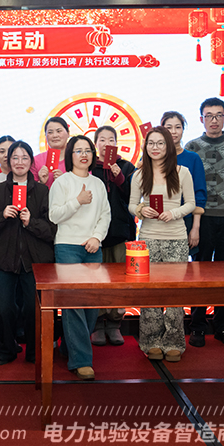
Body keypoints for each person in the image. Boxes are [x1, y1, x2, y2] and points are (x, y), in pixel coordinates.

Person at [0, 141, 55, 365]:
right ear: (8, 162)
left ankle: (34, 350)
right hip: (3, 260)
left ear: (31, 162)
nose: (19, 162)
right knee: (3, 307)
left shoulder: (42, 191)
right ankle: (6, 348)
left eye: (24, 158)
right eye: (15, 158)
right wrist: (1, 216)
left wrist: (31, 222)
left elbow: (52, 229)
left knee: (33, 308)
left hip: (35, 261)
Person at [184, 98, 224, 348]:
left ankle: (223, 326)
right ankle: (197, 326)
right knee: (199, 273)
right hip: (202, 218)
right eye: (208, 115)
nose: (213, 120)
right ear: (201, 119)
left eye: (218, 115)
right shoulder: (192, 147)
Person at [129, 127, 195, 362]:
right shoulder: (139, 174)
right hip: (148, 239)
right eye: (150, 143)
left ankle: (174, 341)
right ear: (145, 147)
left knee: (175, 292)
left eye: (160, 143)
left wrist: (174, 213)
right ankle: (151, 341)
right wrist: (141, 210)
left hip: (176, 238)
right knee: (149, 293)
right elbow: (131, 205)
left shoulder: (182, 172)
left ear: (168, 146)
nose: (155, 148)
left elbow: (191, 203)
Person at [48, 135, 111, 380]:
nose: (84, 155)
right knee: (73, 304)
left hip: (93, 247)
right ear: (70, 155)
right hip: (67, 246)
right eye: (78, 151)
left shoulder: (98, 183)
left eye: (88, 150)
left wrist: (97, 237)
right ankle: (82, 360)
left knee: (92, 305)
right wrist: (77, 201)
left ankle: (69, 346)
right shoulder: (62, 182)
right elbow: (54, 215)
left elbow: (105, 214)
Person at [89, 125, 136, 346]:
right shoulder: (89, 167)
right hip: (94, 233)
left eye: (111, 140)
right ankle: (98, 323)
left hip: (120, 230)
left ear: (116, 144)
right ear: (95, 144)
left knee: (119, 279)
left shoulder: (126, 166)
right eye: (102, 140)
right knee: (97, 279)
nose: (106, 144)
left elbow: (134, 198)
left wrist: (120, 178)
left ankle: (115, 323)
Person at [161, 111, 207, 260]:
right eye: (169, 127)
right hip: (158, 220)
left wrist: (195, 228)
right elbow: (137, 185)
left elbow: (199, 194)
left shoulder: (192, 158)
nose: (173, 132)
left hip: (184, 220)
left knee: (183, 268)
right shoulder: (152, 157)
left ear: (183, 129)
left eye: (178, 127)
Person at [33, 117, 69, 188]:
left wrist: (65, 182)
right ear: (45, 136)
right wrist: (41, 183)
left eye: (59, 131)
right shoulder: (36, 160)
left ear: (68, 133)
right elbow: (29, 190)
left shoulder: (76, 158)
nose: (55, 135)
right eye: (50, 132)